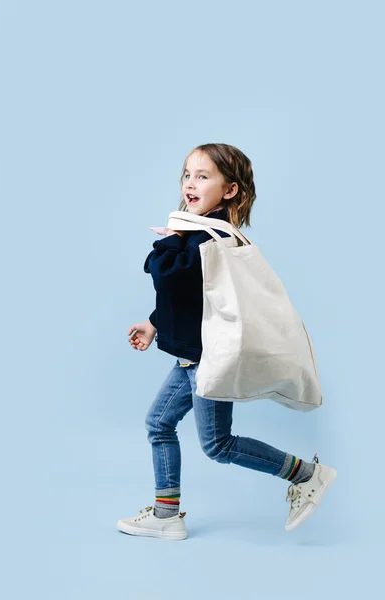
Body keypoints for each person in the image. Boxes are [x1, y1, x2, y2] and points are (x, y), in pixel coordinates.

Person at [117, 143, 337, 541]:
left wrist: (174, 234)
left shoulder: (208, 239)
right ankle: (167, 515)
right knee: (158, 423)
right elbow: (188, 298)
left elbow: (164, 274)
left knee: (217, 445)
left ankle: (308, 475)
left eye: (203, 176)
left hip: (207, 361)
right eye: (187, 174)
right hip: (189, 358)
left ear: (230, 190)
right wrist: (153, 325)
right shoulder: (198, 233)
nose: (190, 183)